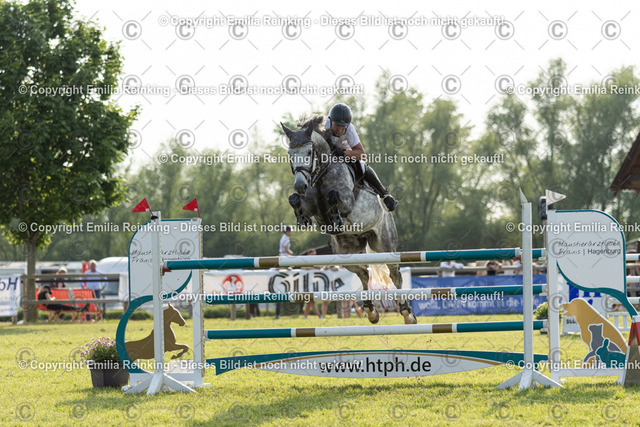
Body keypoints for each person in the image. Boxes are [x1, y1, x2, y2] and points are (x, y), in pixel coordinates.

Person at [325, 103, 398, 211]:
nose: (340, 130)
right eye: (337, 125)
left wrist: (344, 153)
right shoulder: (321, 125)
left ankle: (384, 194)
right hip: (324, 154)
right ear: (331, 120)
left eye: (343, 127)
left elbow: (361, 154)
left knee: (362, 165)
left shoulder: (350, 128)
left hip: (343, 152)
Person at [275, 227, 294, 319]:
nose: (291, 232)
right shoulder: (286, 238)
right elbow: (286, 249)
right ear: (287, 231)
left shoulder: (284, 237)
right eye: (290, 231)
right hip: (284, 257)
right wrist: (292, 253)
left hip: (283, 256)